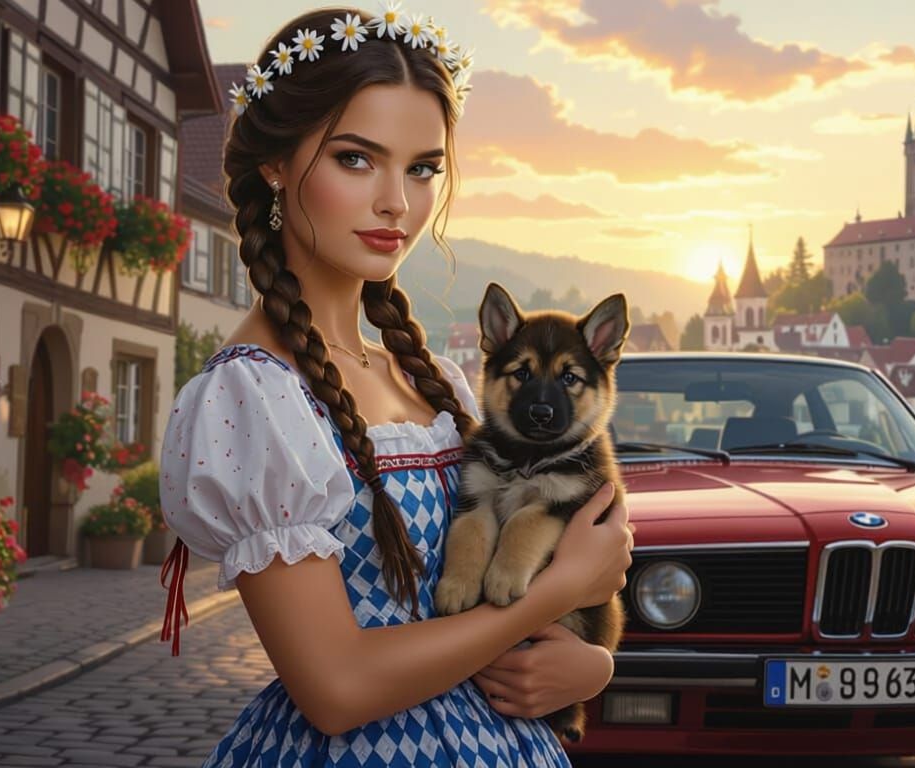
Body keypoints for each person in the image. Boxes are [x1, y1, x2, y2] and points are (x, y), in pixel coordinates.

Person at [156, 5, 634, 765]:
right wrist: (548, 596)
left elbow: (541, 583)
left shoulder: (434, 380)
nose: (398, 203)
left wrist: (590, 666)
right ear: (277, 164)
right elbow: (337, 689)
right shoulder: (253, 399)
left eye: (422, 167)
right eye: (355, 159)